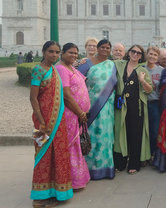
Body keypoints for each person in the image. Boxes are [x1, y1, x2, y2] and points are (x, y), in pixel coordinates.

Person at [29, 41, 73, 207]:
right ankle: (40, 195)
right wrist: (41, 121)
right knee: (42, 155)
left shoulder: (54, 70)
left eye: (57, 52)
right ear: (43, 51)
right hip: (42, 122)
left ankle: (58, 193)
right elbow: (33, 98)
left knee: (59, 155)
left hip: (58, 121)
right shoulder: (37, 70)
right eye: (51, 52)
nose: (54, 55)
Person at [78, 39, 116, 180]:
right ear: (97, 48)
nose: (105, 49)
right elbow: (77, 83)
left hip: (106, 107)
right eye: (102, 47)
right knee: (90, 136)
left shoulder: (112, 65)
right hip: (89, 107)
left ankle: (105, 169)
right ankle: (87, 170)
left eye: (107, 47)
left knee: (105, 136)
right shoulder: (85, 64)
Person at [55, 43, 91, 189]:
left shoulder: (71, 68)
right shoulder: (61, 69)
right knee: (72, 146)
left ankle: (78, 179)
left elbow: (84, 81)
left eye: (76, 53)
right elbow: (67, 95)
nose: (74, 56)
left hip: (77, 115)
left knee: (76, 145)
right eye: (70, 53)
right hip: (71, 114)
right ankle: (71, 180)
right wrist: (80, 112)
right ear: (62, 53)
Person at [113, 45, 153, 174]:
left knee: (135, 134)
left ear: (142, 56)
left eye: (138, 53)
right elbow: (102, 63)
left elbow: (149, 90)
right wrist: (80, 62)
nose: (135, 54)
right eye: (133, 51)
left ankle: (134, 163)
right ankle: (120, 162)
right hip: (121, 106)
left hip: (137, 107)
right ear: (128, 53)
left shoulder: (143, 70)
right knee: (120, 132)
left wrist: (142, 81)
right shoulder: (119, 65)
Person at [144, 46, 164, 161]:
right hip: (142, 104)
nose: (152, 57)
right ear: (147, 54)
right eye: (150, 54)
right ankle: (143, 155)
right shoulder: (141, 68)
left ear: (157, 57)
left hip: (155, 104)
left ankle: (153, 154)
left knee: (154, 131)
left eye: (155, 55)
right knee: (143, 131)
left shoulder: (161, 70)